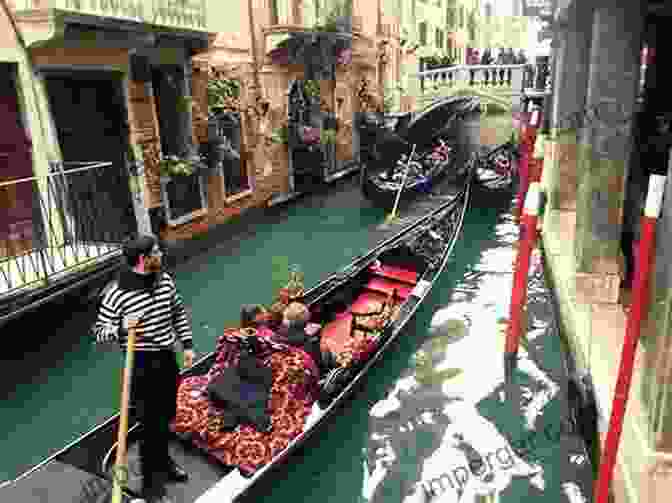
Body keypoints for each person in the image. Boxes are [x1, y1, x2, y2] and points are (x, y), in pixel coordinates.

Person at [93, 234, 195, 503]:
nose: (161, 254)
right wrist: (122, 327)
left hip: (166, 358)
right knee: (150, 424)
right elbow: (100, 333)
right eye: (156, 251)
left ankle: (164, 462)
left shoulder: (165, 281)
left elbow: (178, 313)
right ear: (143, 259)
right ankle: (152, 487)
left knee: (166, 416)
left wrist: (187, 345)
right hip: (139, 364)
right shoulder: (117, 292)